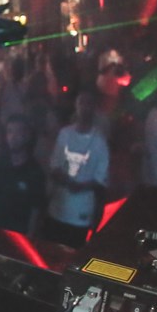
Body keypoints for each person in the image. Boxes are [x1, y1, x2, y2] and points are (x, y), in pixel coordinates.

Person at [43, 89, 109, 247]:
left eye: (89, 103)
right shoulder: (65, 134)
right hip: (58, 208)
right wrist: (67, 182)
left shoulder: (100, 141)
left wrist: (81, 186)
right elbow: (54, 165)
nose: (85, 107)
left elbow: (101, 179)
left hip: (81, 212)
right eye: (81, 103)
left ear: (94, 107)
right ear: (76, 105)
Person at [0, 114, 47, 235]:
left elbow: (35, 210)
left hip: (18, 234)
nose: (13, 137)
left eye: (18, 132)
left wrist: (29, 237)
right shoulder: (0, 163)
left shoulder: (35, 171)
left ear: (27, 136)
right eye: (10, 132)